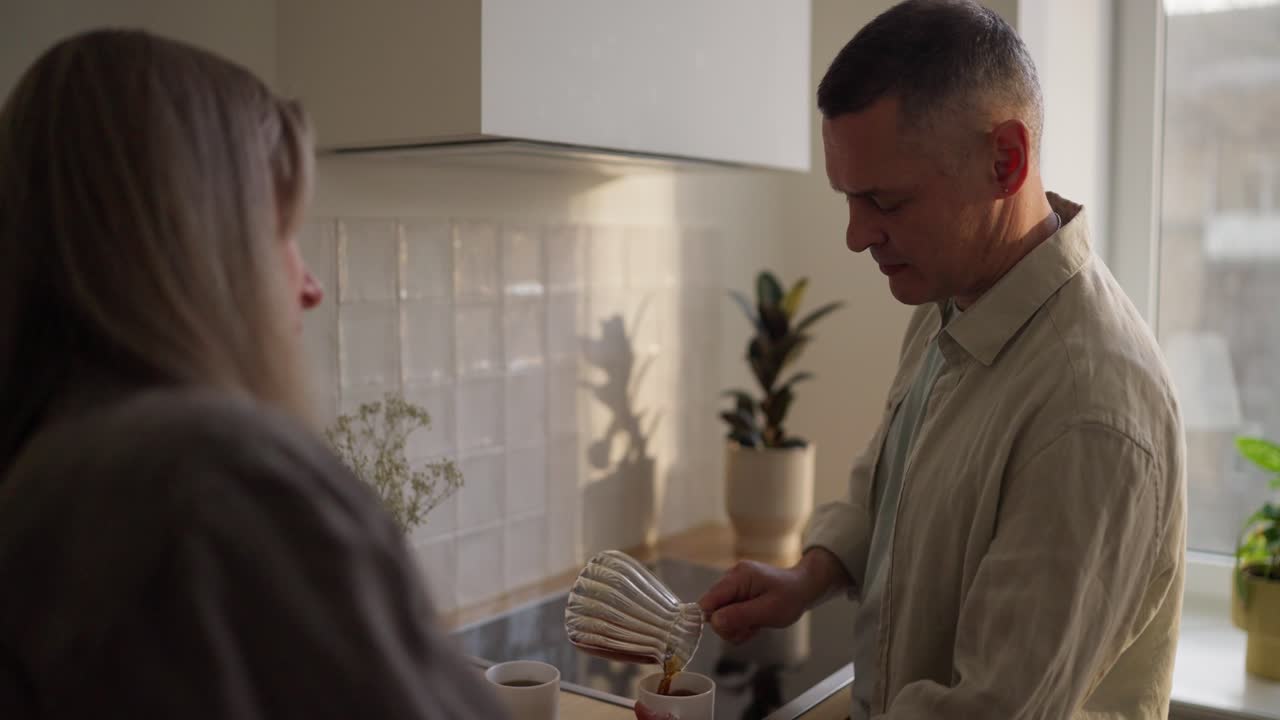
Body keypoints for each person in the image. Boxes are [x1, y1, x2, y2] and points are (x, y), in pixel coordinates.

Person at [695, 2, 1187, 719]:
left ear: (1006, 160)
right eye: (847, 198)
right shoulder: (949, 302)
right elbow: (893, 481)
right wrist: (810, 575)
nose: (857, 235)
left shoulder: (1090, 409)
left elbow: (991, 708)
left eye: (885, 201)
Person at [0, 30, 506, 718]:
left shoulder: (46, 472)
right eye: (280, 234)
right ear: (192, 247)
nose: (311, 285)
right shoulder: (218, 478)